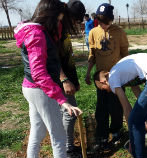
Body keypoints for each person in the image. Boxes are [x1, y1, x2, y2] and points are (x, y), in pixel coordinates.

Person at [14, 0, 82, 157]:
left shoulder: (34, 30)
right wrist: (62, 100)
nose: (60, 23)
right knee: (58, 137)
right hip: (40, 90)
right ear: (51, 16)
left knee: (37, 132)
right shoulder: (37, 34)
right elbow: (38, 73)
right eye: (59, 19)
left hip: (31, 87)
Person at [93, 53, 147, 158]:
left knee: (134, 120)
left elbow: (126, 108)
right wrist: (143, 116)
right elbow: (140, 94)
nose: (107, 91)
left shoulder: (112, 79)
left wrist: (132, 137)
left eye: (103, 89)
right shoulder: (121, 72)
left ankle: (139, 154)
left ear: (103, 82)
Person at [85, 3, 129, 150]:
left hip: (117, 77)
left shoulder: (119, 32)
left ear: (112, 19)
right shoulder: (93, 33)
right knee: (101, 109)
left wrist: (126, 73)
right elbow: (92, 55)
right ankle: (102, 136)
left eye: (106, 22)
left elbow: (124, 53)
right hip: (100, 79)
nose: (103, 25)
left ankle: (116, 132)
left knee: (116, 107)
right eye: (100, 21)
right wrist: (88, 73)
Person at [59, 0, 85, 157]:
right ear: (69, 16)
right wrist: (63, 79)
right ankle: (66, 148)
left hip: (67, 79)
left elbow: (68, 57)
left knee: (66, 112)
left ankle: (65, 145)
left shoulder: (64, 30)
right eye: (76, 20)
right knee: (70, 112)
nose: (76, 24)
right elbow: (53, 59)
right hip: (58, 80)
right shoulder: (57, 29)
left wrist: (74, 80)